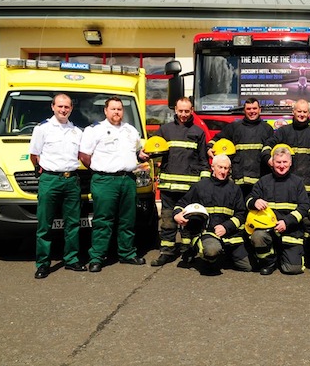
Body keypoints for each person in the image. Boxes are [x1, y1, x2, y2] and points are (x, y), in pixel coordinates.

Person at [79, 97, 149, 272]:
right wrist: (100, 169)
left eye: (119, 109)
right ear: (105, 111)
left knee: (127, 219)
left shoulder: (131, 130)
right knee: (103, 220)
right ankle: (97, 256)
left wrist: (141, 156)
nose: (117, 112)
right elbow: (84, 156)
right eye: (113, 109)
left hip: (128, 179)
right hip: (105, 180)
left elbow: (137, 151)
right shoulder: (94, 130)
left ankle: (127, 253)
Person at [30, 93, 85, 279]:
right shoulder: (42, 129)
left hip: (71, 180)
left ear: (71, 109)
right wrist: (41, 170)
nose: (63, 110)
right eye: (60, 106)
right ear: (52, 107)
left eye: (67, 107)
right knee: (45, 224)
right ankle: (43, 264)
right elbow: (34, 155)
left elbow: (81, 155)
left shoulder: (77, 131)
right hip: (50, 180)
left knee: (73, 224)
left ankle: (71, 260)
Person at [152, 97, 209, 267]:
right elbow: (152, 149)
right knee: (168, 220)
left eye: (187, 111)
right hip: (169, 186)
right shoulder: (164, 130)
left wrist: (204, 183)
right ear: (175, 110)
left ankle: (187, 251)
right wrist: (144, 153)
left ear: (191, 111)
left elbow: (203, 159)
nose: (183, 114)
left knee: (189, 220)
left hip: (190, 187)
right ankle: (166, 252)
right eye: (180, 111)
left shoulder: (198, 132)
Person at [173, 154, 251, 274]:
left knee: (247, 266)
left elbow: (241, 213)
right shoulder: (200, 186)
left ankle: (227, 255)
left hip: (230, 235)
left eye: (226, 168)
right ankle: (208, 258)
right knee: (212, 251)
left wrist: (226, 227)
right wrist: (177, 214)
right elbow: (182, 203)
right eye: (220, 167)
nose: (223, 171)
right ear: (212, 167)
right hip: (208, 233)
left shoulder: (235, 189)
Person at [246, 146, 310, 275]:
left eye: (285, 162)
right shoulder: (264, 181)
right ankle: (269, 261)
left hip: (290, 230)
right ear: (272, 163)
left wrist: (287, 222)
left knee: (292, 269)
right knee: (258, 236)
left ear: (290, 163)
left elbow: (304, 206)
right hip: (268, 230)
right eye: (278, 162)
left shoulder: (297, 183)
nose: (281, 165)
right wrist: (254, 202)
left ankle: (286, 256)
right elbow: (248, 199)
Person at [207, 97, 274, 198]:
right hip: (238, 179)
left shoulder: (267, 129)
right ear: (244, 111)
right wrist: (209, 147)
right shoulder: (235, 127)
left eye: (254, 108)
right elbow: (218, 138)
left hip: (259, 180)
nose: (252, 111)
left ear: (259, 110)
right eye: (249, 109)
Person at [261, 99, 310, 194]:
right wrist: (268, 159)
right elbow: (267, 145)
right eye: (299, 111)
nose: (302, 114)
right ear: (293, 112)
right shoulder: (283, 131)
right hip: (287, 184)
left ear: (309, 114)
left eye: (304, 112)